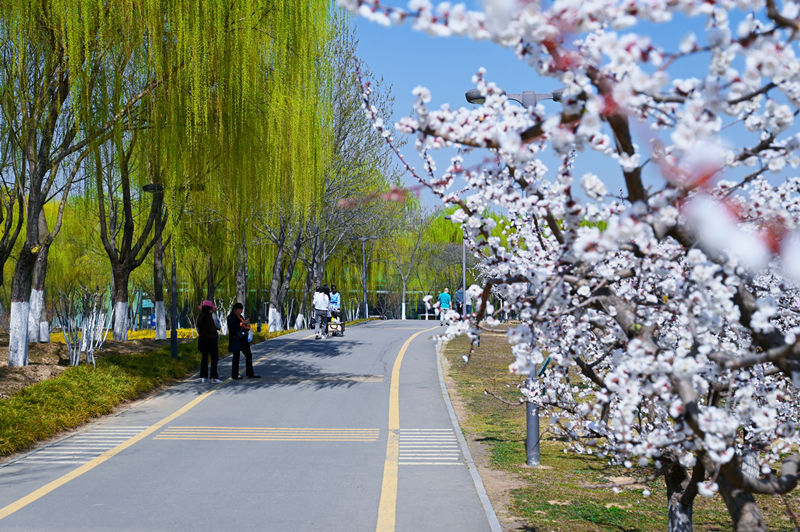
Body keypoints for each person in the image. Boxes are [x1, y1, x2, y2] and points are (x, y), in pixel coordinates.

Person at [226, 302, 260, 379]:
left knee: (248, 355)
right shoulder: (230, 317)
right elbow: (234, 327)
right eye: (239, 309)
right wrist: (242, 323)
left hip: (243, 339)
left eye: (242, 309)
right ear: (235, 309)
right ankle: (235, 374)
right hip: (236, 339)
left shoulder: (241, 316)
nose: (241, 310)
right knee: (236, 357)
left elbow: (244, 326)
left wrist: (247, 325)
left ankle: (250, 373)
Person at [197, 300, 220, 383]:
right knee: (214, 358)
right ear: (210, 309)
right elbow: (218, 326)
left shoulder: (199, 317)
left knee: (204, 358)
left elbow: (198, 330)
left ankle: (204, 377)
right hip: (212, 339)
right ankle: (213, 377)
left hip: (202, 339)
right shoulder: (212, 316)